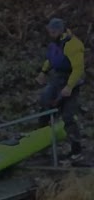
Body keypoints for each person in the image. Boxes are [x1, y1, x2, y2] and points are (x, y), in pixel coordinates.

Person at [36, 18, 85, 163]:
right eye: (49, 31)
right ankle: (42, 143)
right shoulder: (54, 44)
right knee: (45, 106)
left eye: (53, 32)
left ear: (60, 30)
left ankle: (77, 150)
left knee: (68, 116)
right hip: (57, 79)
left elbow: (78, 69)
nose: (51, 34)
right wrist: (43, 72)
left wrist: (69, 87)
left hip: (72, 80)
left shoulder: (73, 45)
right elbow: (51, 60)